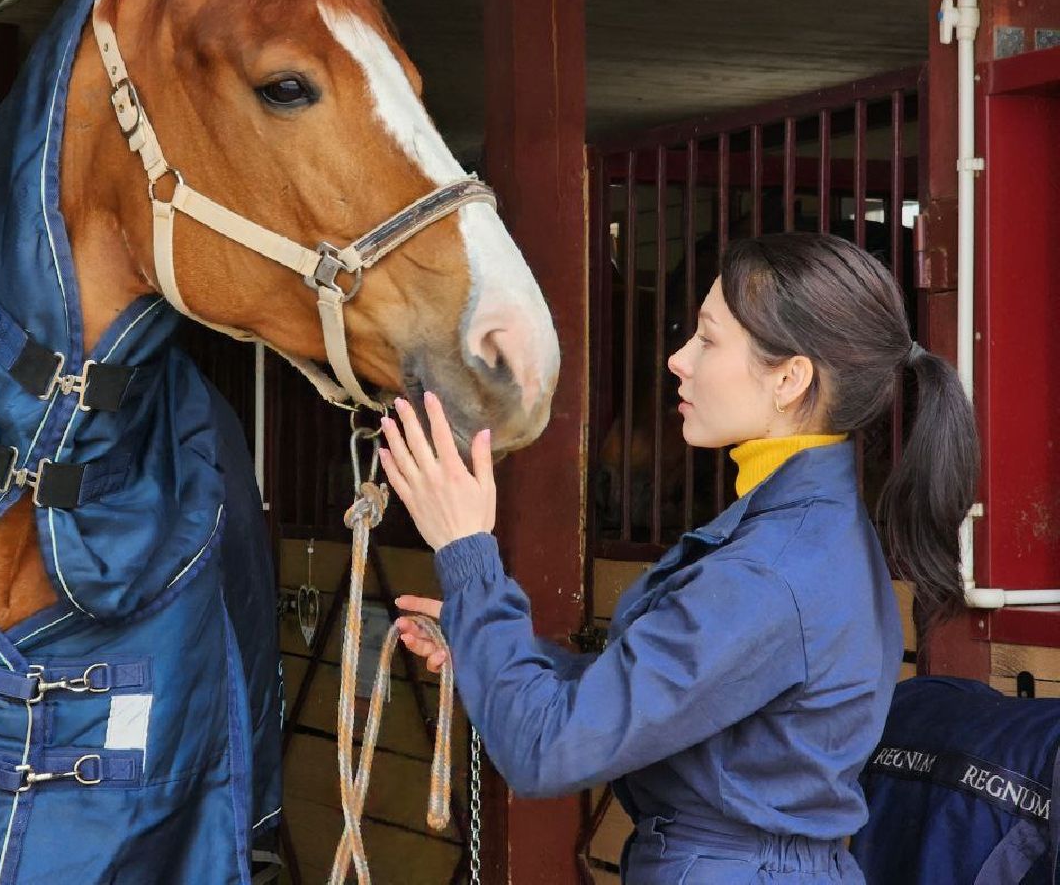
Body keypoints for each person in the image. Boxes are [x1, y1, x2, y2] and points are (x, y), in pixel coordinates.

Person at [378, 231, 978, 883]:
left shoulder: (768, 573)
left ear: (789, 378)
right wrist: (483, 640)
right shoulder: (803, 530)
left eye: (708, 339)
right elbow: (657, 688)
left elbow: (546, 749)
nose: (677, 360)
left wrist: (467, 553)